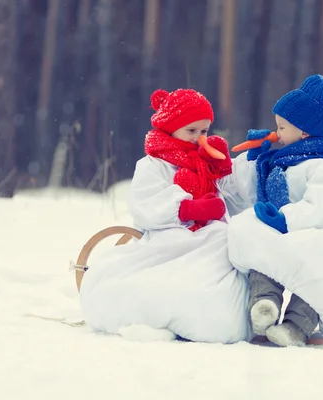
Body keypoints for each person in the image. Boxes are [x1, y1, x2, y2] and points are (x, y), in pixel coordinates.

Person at [79, 88, 256, 344]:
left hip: (212, 243)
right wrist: (187, 209)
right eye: (191, 131)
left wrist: (238, 166)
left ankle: (196, 313)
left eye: (204, 131)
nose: (199, 138)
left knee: (219, 291)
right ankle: (159, 313)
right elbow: (144, 203)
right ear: (171, 128)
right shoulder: (154, 165)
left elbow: (235, 195)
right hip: (167, 242)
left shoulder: (209, 161)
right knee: (126, 284)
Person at [227, 74, 323, 347]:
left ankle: (297, 326)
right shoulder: (278, 163)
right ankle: (265, 304)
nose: (278, 133)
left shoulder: (320, 167)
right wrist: (253, 159)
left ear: (305, 132)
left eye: (282, 127)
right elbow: (245, 191)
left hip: (314, 237)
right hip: (284, 234)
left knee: (313, 280)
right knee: (263, 257)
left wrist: (286, 219)